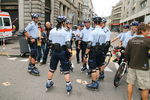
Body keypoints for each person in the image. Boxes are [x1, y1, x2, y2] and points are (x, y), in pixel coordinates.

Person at [45, 16, 73, 94]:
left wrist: (53, 48)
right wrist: (70, 53)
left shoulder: (52, 30)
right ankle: (68, 85)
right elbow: (68, 44)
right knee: (66, 70)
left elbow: (49, 42)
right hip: (63, 52)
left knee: (52, 68)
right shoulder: (65, 31)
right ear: (63, 22)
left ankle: (48, 83)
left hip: (54, 52)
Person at [125, 24, 150, 100]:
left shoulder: (131, 40)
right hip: (143, 67)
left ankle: (129, 99)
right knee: (145, 87)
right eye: (148, 31)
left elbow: (126, 54)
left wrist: (129, 61)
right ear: (142, 31)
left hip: (132, 65)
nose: (148, 32)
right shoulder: (148, 41)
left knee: (130, 83)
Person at [83, 16, 106, 89]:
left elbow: (89, 44)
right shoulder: (104, 32)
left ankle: (94, 83)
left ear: (94, 23)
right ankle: (96, 81)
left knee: (93, 68)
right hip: (101, 52)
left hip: (93, 52)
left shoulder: (92, 32)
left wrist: (86, 55)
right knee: (97, 67)